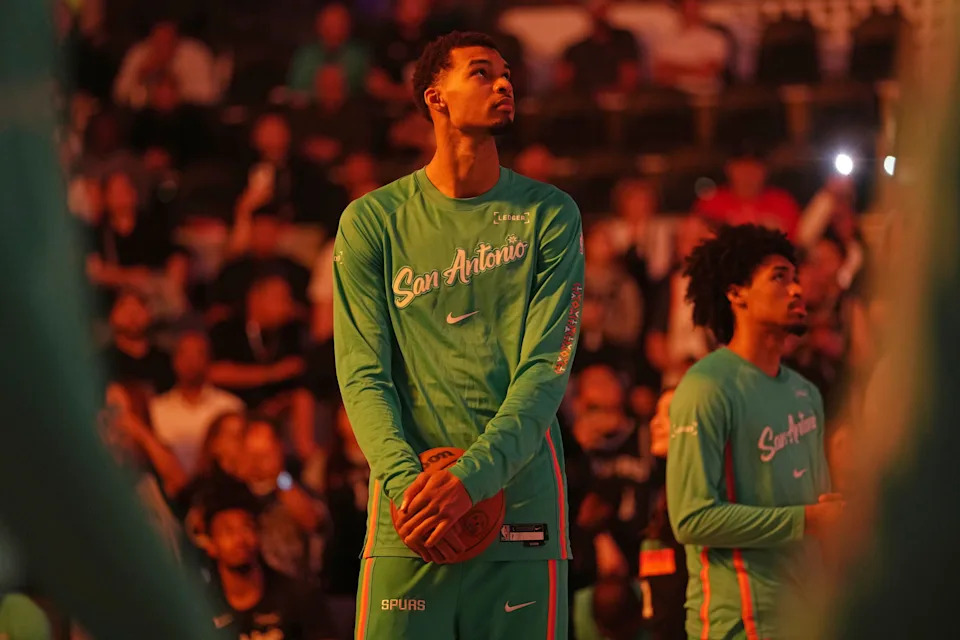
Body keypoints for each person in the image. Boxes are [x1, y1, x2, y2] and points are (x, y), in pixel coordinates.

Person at [334, 31, 584, 639]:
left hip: (521, 517)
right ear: (434, 98)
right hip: (410, 519)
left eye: (507, 75)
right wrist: (407, 488)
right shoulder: (372, 220)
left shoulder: (550, 214)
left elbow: (546, 370)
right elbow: (363, 374)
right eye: (480, 73)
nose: (503, 84)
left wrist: (471, 480)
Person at [665, 224, 844, 639]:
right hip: (741, 624)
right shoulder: (706, 385)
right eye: (779, 277)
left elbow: (815, 509)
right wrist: (806, 520)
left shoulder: (807, 393)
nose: (797, 289)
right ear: (736, 293)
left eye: (795, 278)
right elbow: (691, 519)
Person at [202, 485, 337, 640]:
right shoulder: (198, 605)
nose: (240, 540)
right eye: (228, 531)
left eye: (247, 528)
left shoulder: (298, 596)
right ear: (211, 545)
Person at [149, 329, 245, 476]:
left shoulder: (230, 406)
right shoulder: (156, 409)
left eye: (198, 354)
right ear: (174, 360)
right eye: (184, 354)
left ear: (209, 360)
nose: (191, 361)